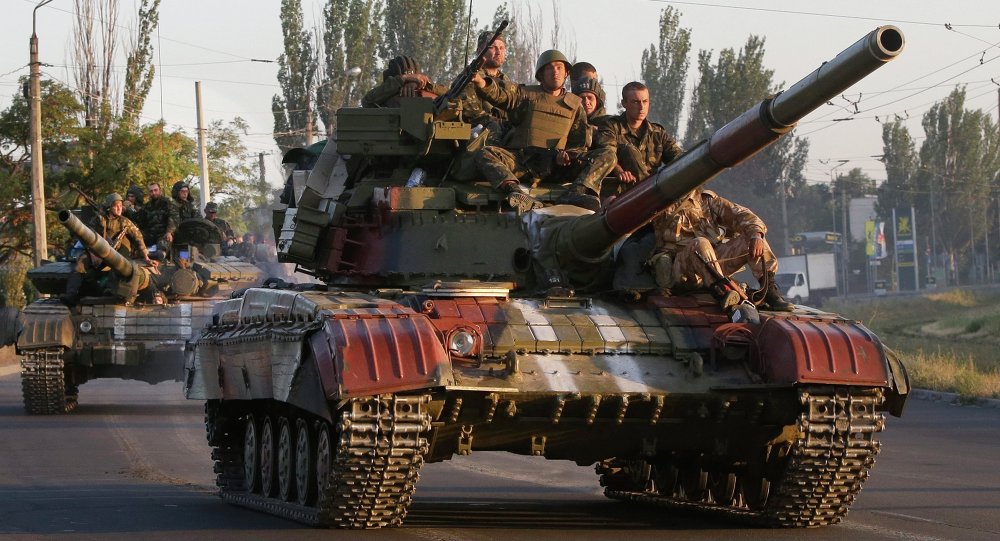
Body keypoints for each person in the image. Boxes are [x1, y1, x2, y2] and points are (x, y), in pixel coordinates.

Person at [466, 49, 589, 206]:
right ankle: (514, 191)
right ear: (541, 74)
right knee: (485, 153)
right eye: (549, 68)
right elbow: (502, 96)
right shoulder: (525, 94)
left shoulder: (575, 105)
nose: (555, 72)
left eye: (559, 67)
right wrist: (481, 82)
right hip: (522, 161)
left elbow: (579, 145)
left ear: (566, 73)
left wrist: (566, 156)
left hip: (553, 166)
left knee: (600, 157)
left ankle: (581, 193)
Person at [649, 188, 793, 312]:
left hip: (712, 263)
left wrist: (756, 235)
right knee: (699, 243)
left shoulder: (706, 201)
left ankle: (769, 290)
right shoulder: (656, 201)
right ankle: (722, 291)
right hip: (681, 269)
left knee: (750, 238)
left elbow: (741, 214)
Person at [563, 82, 683, 210]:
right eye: (635, 102)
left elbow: (678, 157)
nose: (641, 107)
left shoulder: (658, 133)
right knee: (629, 151)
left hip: (653, 191)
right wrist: (620, 171)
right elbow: (607, 151)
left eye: (645, 101)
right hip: (619, 192)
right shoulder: (611, 126)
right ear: (624, 103)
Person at [362, 56, 447, 108]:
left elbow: (367, 101)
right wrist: (405, 79)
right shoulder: (385, 99)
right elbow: (367, 101)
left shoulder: (384, 99)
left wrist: (425, 84)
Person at [138, 181, 175, 254]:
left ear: (160, 190)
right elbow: (139, 218)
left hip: (163, 234)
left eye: (155, 190)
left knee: (162, 246)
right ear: (149, 193)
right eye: (151, 191)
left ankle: (159, 254)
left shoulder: (167, 202)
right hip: (150, 234)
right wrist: (127, 208)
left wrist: (169, 231)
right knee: (136, 238)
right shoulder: (146, 206)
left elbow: (173, 217)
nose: (154, 193)